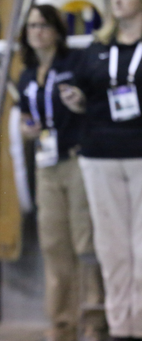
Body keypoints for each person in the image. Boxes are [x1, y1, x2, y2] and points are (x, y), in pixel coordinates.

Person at [18, 5, 106, 341]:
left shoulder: (74, 65)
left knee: (85, 242)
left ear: (56, 30)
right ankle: (61, 322)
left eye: (43, 25)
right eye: (31, 26)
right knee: (54, 245)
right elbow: (28, 117)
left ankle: (94, 321)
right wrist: (28, 128)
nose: (37, 31)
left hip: (76, 160)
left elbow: (92, 104)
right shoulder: (26, 74)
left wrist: (80, 103)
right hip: (46, 166)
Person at [59, 1, 142, 340]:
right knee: (112, 250)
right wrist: (73, 98)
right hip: (99, 154)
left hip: (140, 154)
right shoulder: (96, 46)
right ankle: (121, 328)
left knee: (141, 249)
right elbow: (82, 93)